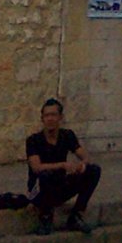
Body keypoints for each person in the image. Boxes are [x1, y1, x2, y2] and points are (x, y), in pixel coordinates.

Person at [25, 97, 101, 235]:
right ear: (42, 118)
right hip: (38, 191)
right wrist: (63, 165)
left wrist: (81, 165)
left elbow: (85, 156)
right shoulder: (33, 140)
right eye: (47, 115)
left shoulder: (67, 135)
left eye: (53, 115)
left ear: (60, 117)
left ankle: (76, 215)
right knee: (46, 175)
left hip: (59, 186)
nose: (50, 119)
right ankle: (46, 217)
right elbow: (36, 167)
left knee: (94, 170)